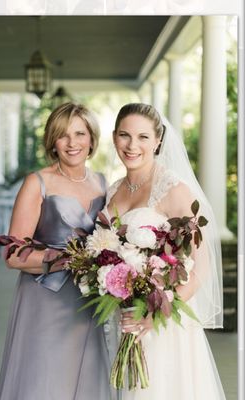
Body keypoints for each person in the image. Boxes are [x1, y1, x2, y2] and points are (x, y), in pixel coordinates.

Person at [103, 103, 226, 399]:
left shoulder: (174, 188)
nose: (132, 146)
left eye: (143, 137)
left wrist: (156, 314)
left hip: (163, 323)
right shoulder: (112, 190)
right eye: (125, 135)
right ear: (114, 137)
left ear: (158, 141)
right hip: (126, 319)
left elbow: (201, 264)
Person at [0, 102, 115, 400]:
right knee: (45, 379)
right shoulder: (38, 183)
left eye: (80, 133)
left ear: (91, 139)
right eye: (63, 135)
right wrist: (68, 259)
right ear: (53, 141)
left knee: (87, 377)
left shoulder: (103, 183)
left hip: (90, 299)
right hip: (46, 298)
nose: (72, 143)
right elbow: (12, 254)